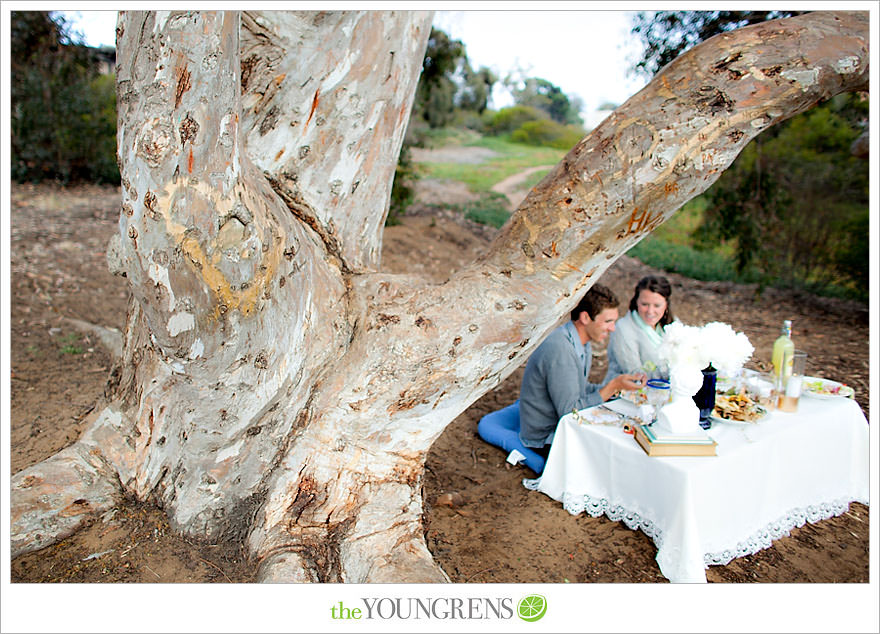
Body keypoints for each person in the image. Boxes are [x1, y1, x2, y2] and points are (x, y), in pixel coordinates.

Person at [518, 284, 646, 456]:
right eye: (608, 321)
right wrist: (612, 387)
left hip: (561, 422)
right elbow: (569, 413)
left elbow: (579, 388)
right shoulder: (561, 349)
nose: (613, 328)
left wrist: (618, 388)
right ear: (585, 318)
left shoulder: (581, 342)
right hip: (546, 437)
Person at [603, 275, 675, 384]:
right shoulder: (623, 329)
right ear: (636, 301)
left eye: (657, 305)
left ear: (666, 304)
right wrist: (674, 372)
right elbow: (634, 374)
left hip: (663, 391)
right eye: (645, 304)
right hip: (625, 394)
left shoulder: (672, 325)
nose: (650, 311)